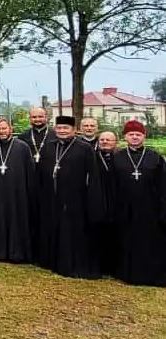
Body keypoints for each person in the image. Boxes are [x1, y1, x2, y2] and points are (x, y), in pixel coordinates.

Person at [35, 116, 105, 279]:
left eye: (66, 128)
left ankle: (69, 264)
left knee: (71, 233)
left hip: (75, 200)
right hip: (52, 198)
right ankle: (52, 261)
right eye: (59, 128)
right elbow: (40, 173)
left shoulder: (84, 148)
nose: (62, 131)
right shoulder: (48, 147)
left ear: (73, 130)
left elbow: (92, 176)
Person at [110, 120, 166, 286]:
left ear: (144, 136)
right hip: (124, 208)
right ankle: (126, 273)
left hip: (149, 208)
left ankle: (149, 274)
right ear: (125, 136)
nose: (135, 137)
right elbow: (112, 184)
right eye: (131, 134)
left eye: (138, 134)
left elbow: (163, 185)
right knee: (127, 240)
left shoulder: (155, 157)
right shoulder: (117, 157)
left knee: (148, 242)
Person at [0, 118, 35, 263]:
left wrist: (29, 193)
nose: (2, 132)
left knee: (18, 222)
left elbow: (30, 172)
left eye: (4, 128)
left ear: (10, 128)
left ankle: (18, 253)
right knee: (1, 222)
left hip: (18, 193)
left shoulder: (22, 147)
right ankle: (2, 252)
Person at [95, 130, 118, 274]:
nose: (105, 142)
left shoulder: (122, 157)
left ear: (116, 142)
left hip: (117, 201)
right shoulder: (92, 157)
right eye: (102, 139)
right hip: (99, 200)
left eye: (108, 140)